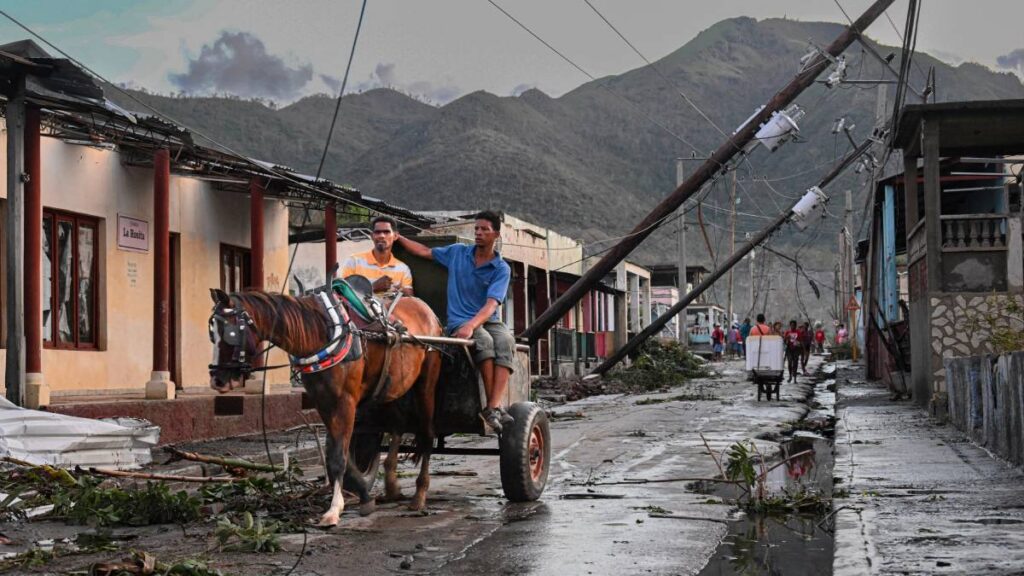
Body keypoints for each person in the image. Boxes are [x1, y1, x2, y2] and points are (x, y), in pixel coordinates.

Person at [395, 211, 515, 432]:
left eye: (484, 229)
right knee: (485, 342)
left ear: (495, 234)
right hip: (459, 320)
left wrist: (473, 324)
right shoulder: (457, 253)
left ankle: (493, 405)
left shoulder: (501, 268)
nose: (478, 233)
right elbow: (424, 252)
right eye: (476, 229)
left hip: (487, 319)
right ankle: (490, 408)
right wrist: (398, 237)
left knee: (506, 341)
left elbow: (491, 305)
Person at [341, 215, 414, 296]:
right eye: (377, 232)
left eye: (386, 232)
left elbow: (410, 300)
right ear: (372, 236)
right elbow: (343, 295)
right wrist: (373, 287)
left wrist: (399, 290)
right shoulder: (354, 261)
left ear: (395, 236)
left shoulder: (403, 269)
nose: (381, 236)